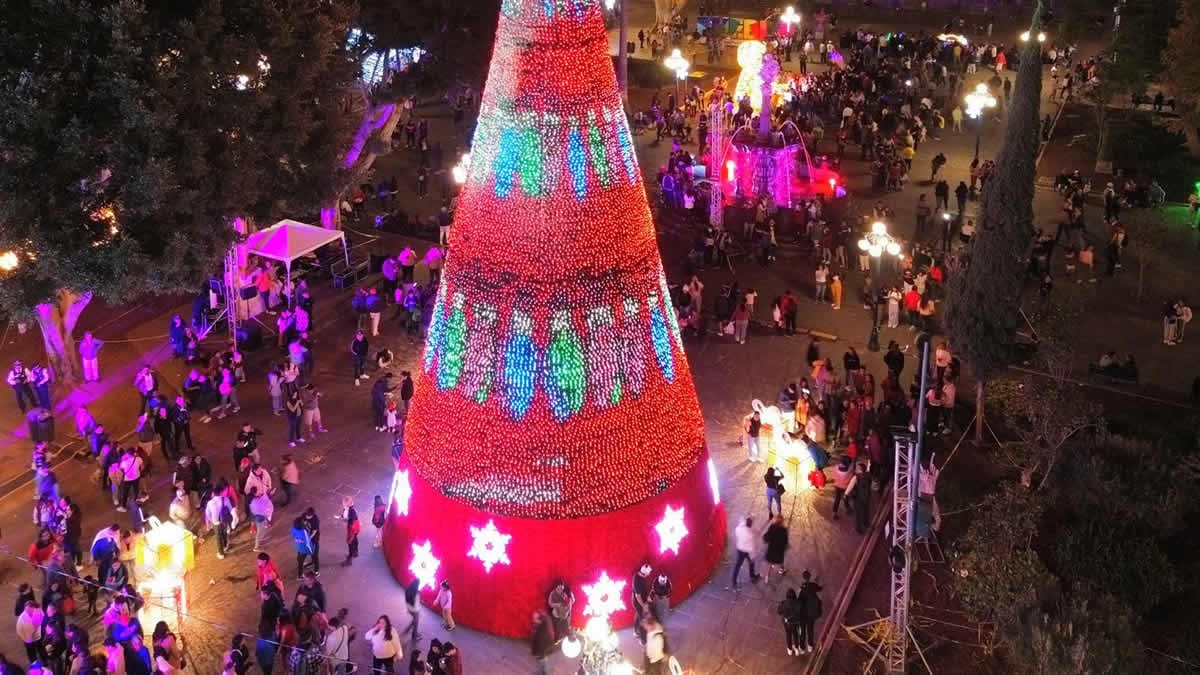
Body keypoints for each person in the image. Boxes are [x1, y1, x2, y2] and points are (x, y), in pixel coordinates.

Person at [729, 516, 762, 589]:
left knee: (738, 565)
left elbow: (738, 527)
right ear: (750, 525)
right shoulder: (750, 535)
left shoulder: (739, 528)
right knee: (751, 563)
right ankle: (752, 577)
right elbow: (752, 547)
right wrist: (753, 556)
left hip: (740, 549)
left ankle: (734, 580)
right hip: (747, 551)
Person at [799, 571, 824, 653]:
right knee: (810, 630)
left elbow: (799, 601)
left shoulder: (802, 589)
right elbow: (819, 588)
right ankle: (810, 646)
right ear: (809, 577)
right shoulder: (813, 585)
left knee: (802, 631)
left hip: (803, 615)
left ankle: (802, 647)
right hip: (811, 613)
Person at [844, 463, 871, 534]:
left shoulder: (856, 477)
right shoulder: (868, 475)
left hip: (858, 498)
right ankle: (866, 523)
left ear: (859, 469)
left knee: (857, 514)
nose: (855, 469)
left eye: (857, 468)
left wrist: (846, 495)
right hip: (866, 496)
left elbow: (850, 487)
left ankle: (858, 528)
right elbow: (869, 467)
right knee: (866, 510)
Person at [778, 588, 804, 656]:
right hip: (795, 623)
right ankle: (796, 649)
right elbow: (801, 613)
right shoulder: (799, 603)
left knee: (788, 635)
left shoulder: (783, 603)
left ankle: (789, 649)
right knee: (795, 635)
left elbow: (779, 612)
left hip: (787, 623)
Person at [342, 496, 360, 565]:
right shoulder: (351, 509)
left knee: (350, 542)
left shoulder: (351, 511)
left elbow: (350, 521)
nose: (343, 504)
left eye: (343, 503)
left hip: (352, 529)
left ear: (347, 504)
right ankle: (355, 552)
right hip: (355, 528)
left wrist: (345, 519)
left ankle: (349, 559)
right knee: (355, 539)